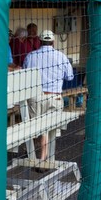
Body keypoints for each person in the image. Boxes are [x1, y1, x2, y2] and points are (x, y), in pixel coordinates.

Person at [22, 30, 74, 161]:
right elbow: (70, 76)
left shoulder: (31, 56)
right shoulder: (61, 56)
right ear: (53, 42)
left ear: (39, 41)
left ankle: (38, 155)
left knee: (38, 128)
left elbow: (24, 75)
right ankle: (45, 156)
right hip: (54, 97)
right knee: (49, 129)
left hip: (35, 97)